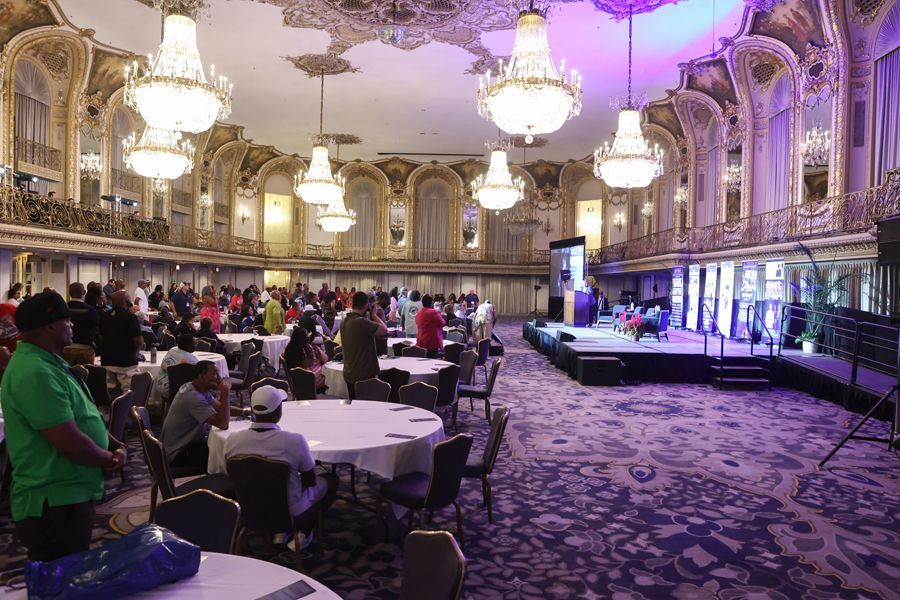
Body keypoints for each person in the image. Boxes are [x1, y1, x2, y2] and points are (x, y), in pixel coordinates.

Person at [0, 292, 125, 561]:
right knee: (60, 581)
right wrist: (108, 458)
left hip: (68, 494)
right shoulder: (34, 371)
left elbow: (81, 414)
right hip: (52, 502)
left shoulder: (50, 362)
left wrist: (113, 443)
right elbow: (68, 442)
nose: (71, 325)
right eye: (66, 321)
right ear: (49, 326)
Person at [223, 386, 337, 525]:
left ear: (252, 410)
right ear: (279, 411)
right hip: (290, 512)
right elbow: (310, 481)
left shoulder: (233, 440)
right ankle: (306, 531)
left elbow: (232, 475)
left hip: (250, 508)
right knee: (332, 480)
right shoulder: (294, 441)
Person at [161, 360, 246, 471]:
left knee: (221, 449)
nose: (219, 378)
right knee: (226, 456)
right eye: (214, 374)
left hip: (184, 445)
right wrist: (225, 393)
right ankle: (222, 486)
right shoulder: (193, 397)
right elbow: (223, 424)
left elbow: (221, 408)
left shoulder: (194, 387)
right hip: (178, 453)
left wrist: (245, 412)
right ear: (201, 377)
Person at [339, 291, 387, 399]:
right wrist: (374, 315)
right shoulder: (361, 322)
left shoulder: (344, 321)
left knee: (355, 406)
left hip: (349, 371)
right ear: (366, 305)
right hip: (363, 374)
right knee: (366, 407)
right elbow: (384, 329)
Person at [98, 290, 142, 393]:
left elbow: (100, 337)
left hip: (107, 361)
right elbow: (139, 341)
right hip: (126, 363)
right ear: (125, 301)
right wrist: (135, 353)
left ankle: (111, 409)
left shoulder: (104, 316)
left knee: (109, 395)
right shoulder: (131, 317)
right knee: (128, 396)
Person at [283, 327, 329, 392]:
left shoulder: (289, 348)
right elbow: (325, 359)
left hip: (295, 380)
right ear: (306, 337)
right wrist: (318, 349)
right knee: (329, 373)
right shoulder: (310, 348)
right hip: (311, 380)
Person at [63, 282, 99, 366]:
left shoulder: (63, 308)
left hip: (66, 349)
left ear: (69, 293)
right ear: (84, 293)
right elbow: (97, 328)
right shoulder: (91, 310)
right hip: (86, 349)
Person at [156, 334, 198, 401]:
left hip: (160, 384)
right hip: (176, 391)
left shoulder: (173, 349)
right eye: (194, 343)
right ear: (188, 346)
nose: (196, 344)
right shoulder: (192, 360)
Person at [416, 294, 446, 359]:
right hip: (432, 341)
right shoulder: (434, 312)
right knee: (432, 362)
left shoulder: (418, 313)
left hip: (421, 341)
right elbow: (443, 323)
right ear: (431, 302)